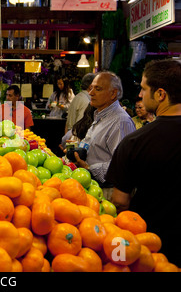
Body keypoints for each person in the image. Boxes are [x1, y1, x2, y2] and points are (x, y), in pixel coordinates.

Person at [106, 59, 181, 266]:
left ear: (160, 94)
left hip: (151, 246)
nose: (139, 94)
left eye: (143, 88)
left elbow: (120, 201)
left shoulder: (135, 141)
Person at [72, 71, 136, 195]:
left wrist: (89, 168)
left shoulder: (120, 122)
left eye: (98, 89)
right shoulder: (100, 115)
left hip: (109, 192)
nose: (91, 93)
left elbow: (121, 165)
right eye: (91, 88)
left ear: (113, 93)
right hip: (94, 187)